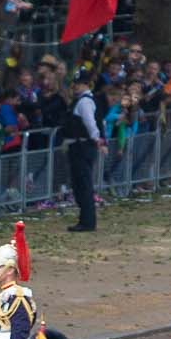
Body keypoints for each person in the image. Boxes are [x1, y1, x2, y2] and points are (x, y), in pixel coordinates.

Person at [64, 78, 102, 232]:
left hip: (82, 145)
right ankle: (86, 219)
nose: (75, 87)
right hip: (81, 145)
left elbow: (90, 122)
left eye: (78, 84)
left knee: (83, 184)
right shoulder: (82, 101)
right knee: (80, 183)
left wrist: (96, 138)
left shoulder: (84, 102)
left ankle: (87, 221)